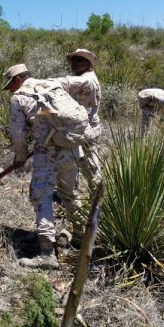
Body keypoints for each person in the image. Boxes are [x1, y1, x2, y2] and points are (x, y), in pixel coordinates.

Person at [3, 63, 80, 270]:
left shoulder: (19, 97)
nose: (11, 89)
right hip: (72, 147)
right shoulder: (52, 85)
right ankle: (83, 238)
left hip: (48, 152)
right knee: (70, 193)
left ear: (18, 79)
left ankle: (47, 254)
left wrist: (19, 157)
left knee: (41, 195)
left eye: (10, 84)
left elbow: (18, 135)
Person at [54, 49, 103, 216]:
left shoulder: (86, 80)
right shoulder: (84, 78)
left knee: (91, 167)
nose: (75, 63)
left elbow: (67, 86)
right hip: (81, 130)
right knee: (86, 165)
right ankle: (93, 205)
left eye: (80, 60)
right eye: (74, 60)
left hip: (86, 131)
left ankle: (97, 206)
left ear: (88, 63)